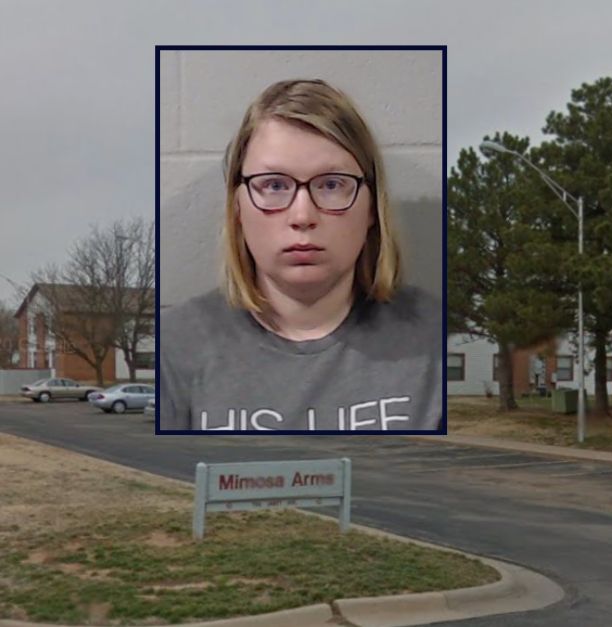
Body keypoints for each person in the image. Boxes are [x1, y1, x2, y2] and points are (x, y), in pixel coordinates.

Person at [159, 79, 442, 431]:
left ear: (372, 208)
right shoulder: (174, 345)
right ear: (238, 207)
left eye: (332, 184)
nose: (302, 216)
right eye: (274, 185)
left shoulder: (433, 336)